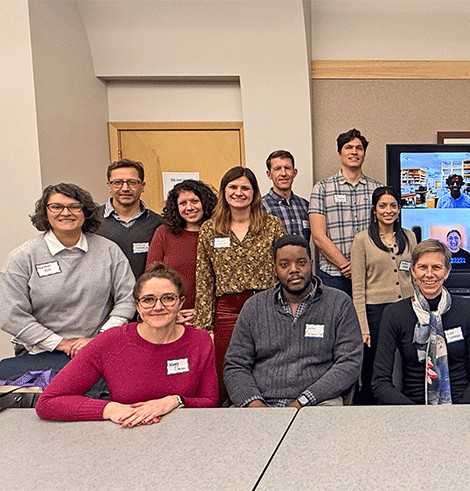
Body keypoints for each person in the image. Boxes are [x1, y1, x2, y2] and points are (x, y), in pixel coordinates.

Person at [36, 264, 217, 423]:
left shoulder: (199, 341)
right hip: (126, 435)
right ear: (137, 306)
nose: (158, 306)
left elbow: (210, 400)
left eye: (168, 298)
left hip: (184, 435)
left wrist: (174, 401)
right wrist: (109, 409)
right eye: (148, 300)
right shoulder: (110, 341)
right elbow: (48, 402)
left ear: (181, 302)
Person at [0, 183, 135, 377]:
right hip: (41, 354)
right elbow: (11, 316)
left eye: (74, 206)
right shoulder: (22, 257)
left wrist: (99, 339)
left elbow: (127, 298)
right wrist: (63, 344)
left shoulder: (109, 251)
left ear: (85, 212)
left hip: (99, 350)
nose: (66, 213)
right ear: (45, 213)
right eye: (56, 207)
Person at [224, 234, 363, 407]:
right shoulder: (254, 306)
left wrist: (303, 401)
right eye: (284, 264)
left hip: (318, 402)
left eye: (301, 262)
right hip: (261, 404)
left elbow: (349, 363)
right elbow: (235, 365)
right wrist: (255, 406)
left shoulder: (339, 303)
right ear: (274, 268)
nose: (294, 269)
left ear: (312, 263)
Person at [195, 166, 286, 401]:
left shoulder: (272, 225)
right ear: (224, 191)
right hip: (226, 309)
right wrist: (204, 327)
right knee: (228, 367)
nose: (239, 192)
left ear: (254, 192)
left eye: (245, 187)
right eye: (233, 187)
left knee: (266, 364)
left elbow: (285, 268)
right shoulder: (209, 229)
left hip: (266, 306)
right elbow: (204, 279)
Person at [371, 239, 470, 404]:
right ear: (413, 271)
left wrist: (462, 413)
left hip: (461, 407)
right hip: (412, 409)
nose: (429, 274)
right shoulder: (395, 314)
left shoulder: (467, 309)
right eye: (422, 267)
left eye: (436, 267)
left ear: (447, 272)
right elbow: (380, 382)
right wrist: (415, 415)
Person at [350, 187, 417, 404]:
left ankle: (407, 405)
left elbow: (415, 277)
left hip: (407, 308)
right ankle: (370, 410)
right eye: (382, 206)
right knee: (375, 366)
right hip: (376, 312)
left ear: (399, 208)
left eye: (393, 205)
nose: (388, 210)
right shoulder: (361, 240)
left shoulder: (409, 236)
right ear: (374, 209)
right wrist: (363, 326)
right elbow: (358, 288)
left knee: (409, 361)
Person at [309, 128, 383, 296]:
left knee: (367, 322)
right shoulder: (322, 188)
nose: (354, 152)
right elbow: (318, 236)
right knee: (335, 321)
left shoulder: (377, 189)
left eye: (359, 148)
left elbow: (383, 231)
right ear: (339, 154)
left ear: (364, 154)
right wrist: (346, 266)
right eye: (348, 147)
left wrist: (361, 267)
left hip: (370, 274)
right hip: (333, 275)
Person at [147, 179, 217, 325]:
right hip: (172, 317)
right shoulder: (163, 233)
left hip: (214, 315)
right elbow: (151, 278)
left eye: (195, 201)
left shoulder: (219, 233)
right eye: (183, 203)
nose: (189, 207)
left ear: (205, 203)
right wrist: (172, 312)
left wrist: (203, 311)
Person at [95, 159, 164, 279]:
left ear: (142, 186)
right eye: (118, 182)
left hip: (145, 295)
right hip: (105, 296)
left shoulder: (159, 224)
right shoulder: (91, 221)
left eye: (132, 182)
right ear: (109, 186)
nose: (125, 188)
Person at [261, 149, 311, 240]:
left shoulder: (305, 206)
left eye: (287, 168)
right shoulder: (260, 207)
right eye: (277, 169)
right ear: (269, 174)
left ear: (294, 172)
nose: (283, 173)